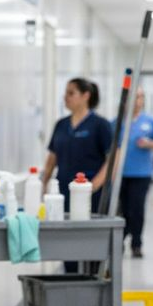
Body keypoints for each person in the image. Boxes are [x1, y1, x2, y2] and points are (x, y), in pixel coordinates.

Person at [41, 78, 112, 210]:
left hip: (90, 194)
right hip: (62, 190)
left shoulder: (100, 125)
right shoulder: (61, 125)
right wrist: (44, 183)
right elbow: (52, 158)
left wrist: (93, 186)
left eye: (71, 93)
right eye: (65, 93)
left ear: (86, 96)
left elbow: (112, 161)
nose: (65, 97)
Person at [122, 89, 153, 258]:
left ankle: (136, 243)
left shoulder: (149, 121)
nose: (138, 100)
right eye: (134, 97)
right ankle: (120, 240)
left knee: (137, 209)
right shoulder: (118, 122)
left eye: (140, 97)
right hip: (121, 174)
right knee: (123, 210)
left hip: (141, 173)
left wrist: (148, 144)